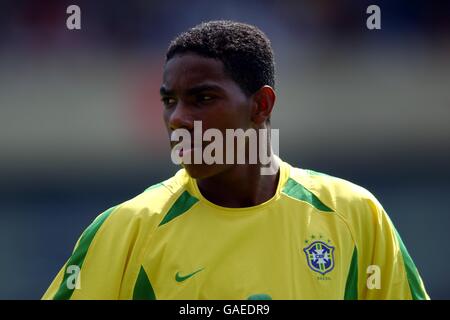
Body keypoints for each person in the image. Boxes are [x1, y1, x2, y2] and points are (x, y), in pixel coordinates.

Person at [43, 20, 429, 300]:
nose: (177, 118)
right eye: (169, 101)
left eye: (203, 98)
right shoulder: (126, 229)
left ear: (261, 106)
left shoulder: (353, 216)